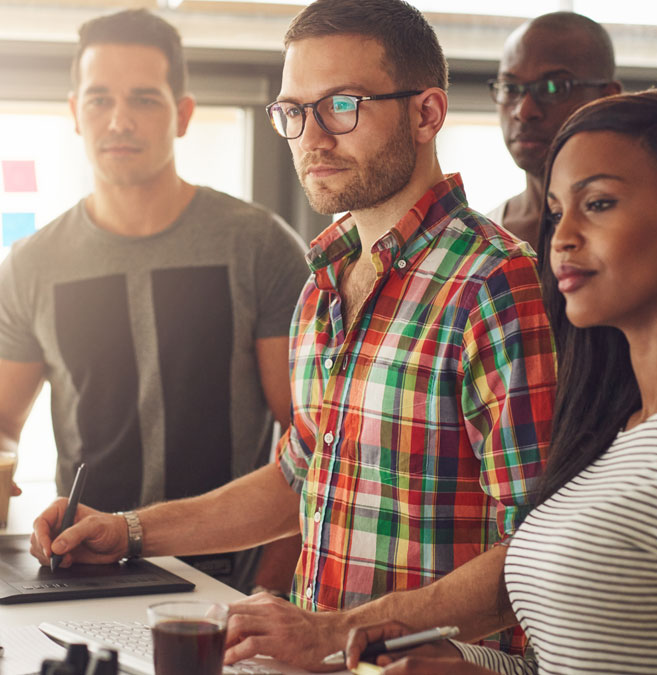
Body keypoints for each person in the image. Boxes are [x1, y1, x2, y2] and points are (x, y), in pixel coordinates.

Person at [29, 0, 557, 667]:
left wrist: (334, 629)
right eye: (293, 111)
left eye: (342, 105)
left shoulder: (494, 281)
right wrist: (129, 530)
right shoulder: (325, 282)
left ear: (427, 113)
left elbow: (539, 551)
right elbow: (297, 474)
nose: (312, 136)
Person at [342, 87, 657, 674]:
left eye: (598, 204)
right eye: (556, 212)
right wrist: (465, 666)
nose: (562, 237)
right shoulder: (612, 430)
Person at [0, 8, 310, 594]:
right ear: (75, 113)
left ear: (183, 115)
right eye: (98, 100)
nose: (118, 120)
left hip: (226, 583)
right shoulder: (31, 267)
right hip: (83, 572)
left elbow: (311, 447)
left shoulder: (259, 247)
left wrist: (268, 596)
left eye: (144, 99)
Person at [485, 12, 621, 252]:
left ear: (606, 98)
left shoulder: (634, 226)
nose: (524, 111)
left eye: (554, 88)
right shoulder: (483, 235)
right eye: (510, 88)